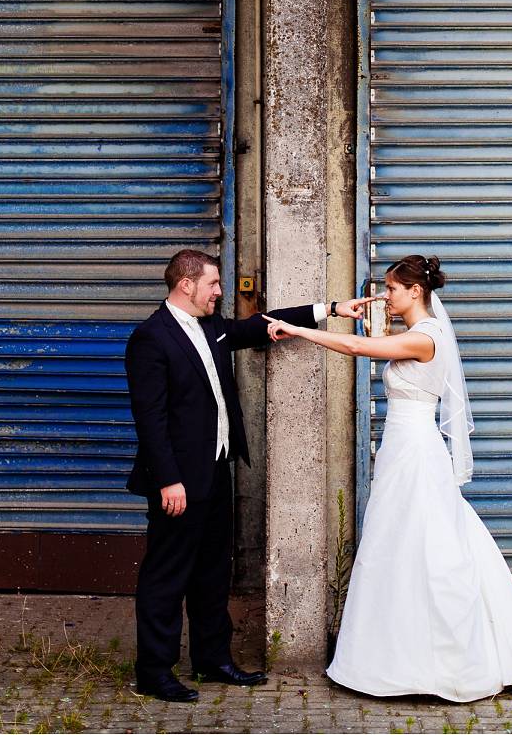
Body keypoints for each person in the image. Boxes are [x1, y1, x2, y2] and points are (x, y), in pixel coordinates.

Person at [264, 254, 512, 702]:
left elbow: (361, 350)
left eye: (393, 288)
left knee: (427, 545)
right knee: (400, 543)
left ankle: (444, 662)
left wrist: (299, 330)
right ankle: (394, 657)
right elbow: (378, 344)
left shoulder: (426, 338)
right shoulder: (415, 334)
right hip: (403, 449)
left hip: (416, 452)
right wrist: (357, 312)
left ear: (415, 291)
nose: (387, 295)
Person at [124, 249, 365, 702]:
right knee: (166, 574)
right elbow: (150, 420)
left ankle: (212, 660)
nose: (220, 292)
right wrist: (168, 480)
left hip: (215, 470)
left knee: (214, 571)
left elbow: (256, 327)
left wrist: (331, 309)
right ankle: (154, 672)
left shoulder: (211, 326)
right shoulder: (150, 339)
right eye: (213, 284)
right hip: (177, 481)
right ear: (186, 285)